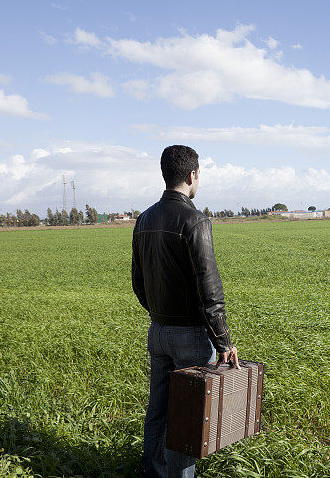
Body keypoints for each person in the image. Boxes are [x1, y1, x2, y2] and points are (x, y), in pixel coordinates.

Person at [131, 144, 239, 478]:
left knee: (158, 412)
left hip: (158, 331)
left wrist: (159, 317)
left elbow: (138, 281)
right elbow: (210, 289)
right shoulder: (195, 220)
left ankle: (153, 471)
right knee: (187, 419)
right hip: (190, 336)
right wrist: (224, 342)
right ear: (192, 175)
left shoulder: (144, 219)